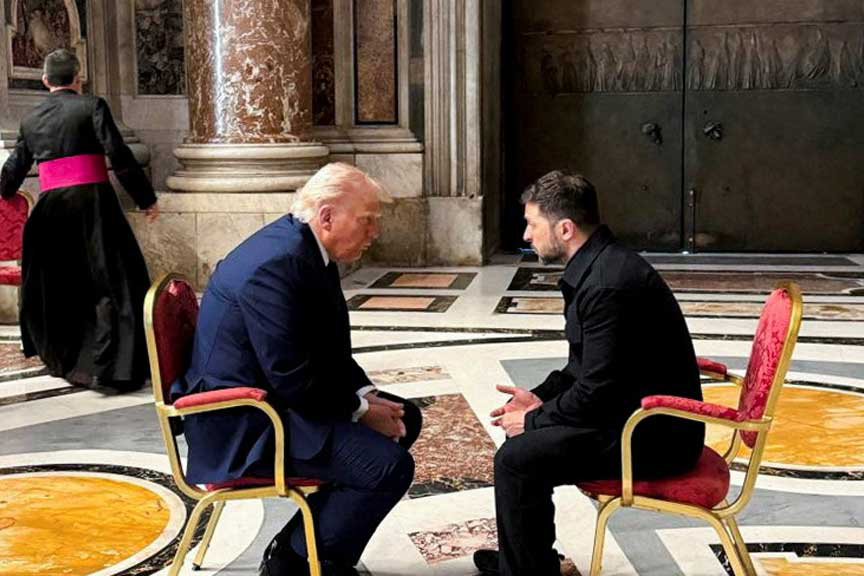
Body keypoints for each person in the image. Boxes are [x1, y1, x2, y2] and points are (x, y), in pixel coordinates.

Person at [171, 163, 422, 576]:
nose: (374, 232)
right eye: (367, 221)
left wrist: (364, 396)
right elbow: (291, 375)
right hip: (244, 424)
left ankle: (319, 547)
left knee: (404, 418)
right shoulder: (277, 264)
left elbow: (325, 348)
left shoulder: (304, 249)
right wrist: (359, 412)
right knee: (387, 466)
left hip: (275, 401)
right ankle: (294, 560)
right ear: (327, 216)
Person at [474, 171, 705, 576]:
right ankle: (530, 564)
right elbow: (583, 369)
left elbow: (597, 390)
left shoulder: (606, 285)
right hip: (629, 415)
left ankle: (527, 569)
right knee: (522, 452)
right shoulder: (600, 268)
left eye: (532, 225)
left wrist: (532, 420)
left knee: (517, 459)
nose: (526, 236)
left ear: (564, 228)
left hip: (652, 436)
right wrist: (540, 398)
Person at [0, 49, 158, 390]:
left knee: (61, 288)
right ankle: (114, 365)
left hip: (50, 211)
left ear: (45, 81)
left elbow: (13, 170)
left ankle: (70, 361)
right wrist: (146, 198)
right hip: (94, 205)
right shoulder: (92, 106)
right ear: (78, 77)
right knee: (114, 282)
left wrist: (5, 190)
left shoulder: (30, 120)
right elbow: (119, 155)